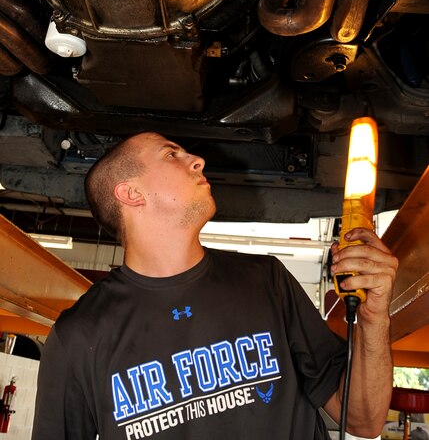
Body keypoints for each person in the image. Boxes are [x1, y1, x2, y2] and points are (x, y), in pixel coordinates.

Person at [31, 132, 398, 440]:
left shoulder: (266, 279)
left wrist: (374, 317)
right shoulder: (78, 336)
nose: (197, 161)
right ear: (131, 194)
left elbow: (363, 421)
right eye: (171, 154)